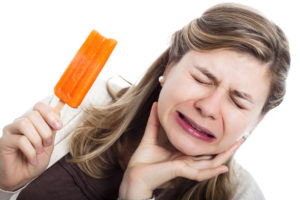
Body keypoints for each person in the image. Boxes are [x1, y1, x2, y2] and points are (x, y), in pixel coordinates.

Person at [0, 3, 290, 200]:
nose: (209, 107)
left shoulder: (241, 195)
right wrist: (5, 185)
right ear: (170, 65)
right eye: (202, 79)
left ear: (258, 119)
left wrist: (135, 191)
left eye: (238, 102)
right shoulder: (81, 106)